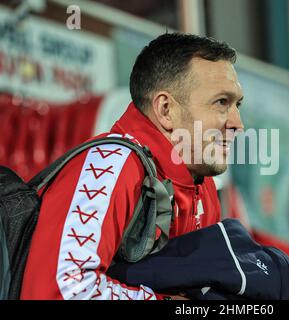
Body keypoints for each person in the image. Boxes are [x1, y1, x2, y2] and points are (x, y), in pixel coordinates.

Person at [21, 33, 244, 300]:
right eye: (221, 103)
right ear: (165, 109)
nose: (237, 124)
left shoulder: (203, 187)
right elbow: (62, 290)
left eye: (237, 105)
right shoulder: (112, 163)